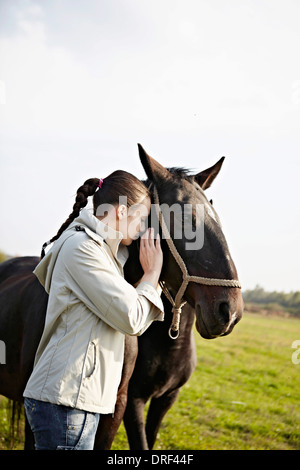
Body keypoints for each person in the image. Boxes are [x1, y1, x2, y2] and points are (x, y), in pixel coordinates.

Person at [23, 170, 164, 450]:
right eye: (140, 218)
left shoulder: (101, 253)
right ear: (122, 211)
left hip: (72, 401)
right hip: (65, 404)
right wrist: (151, 275)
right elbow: (131, 317)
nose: (140, 230)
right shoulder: (82, 249)